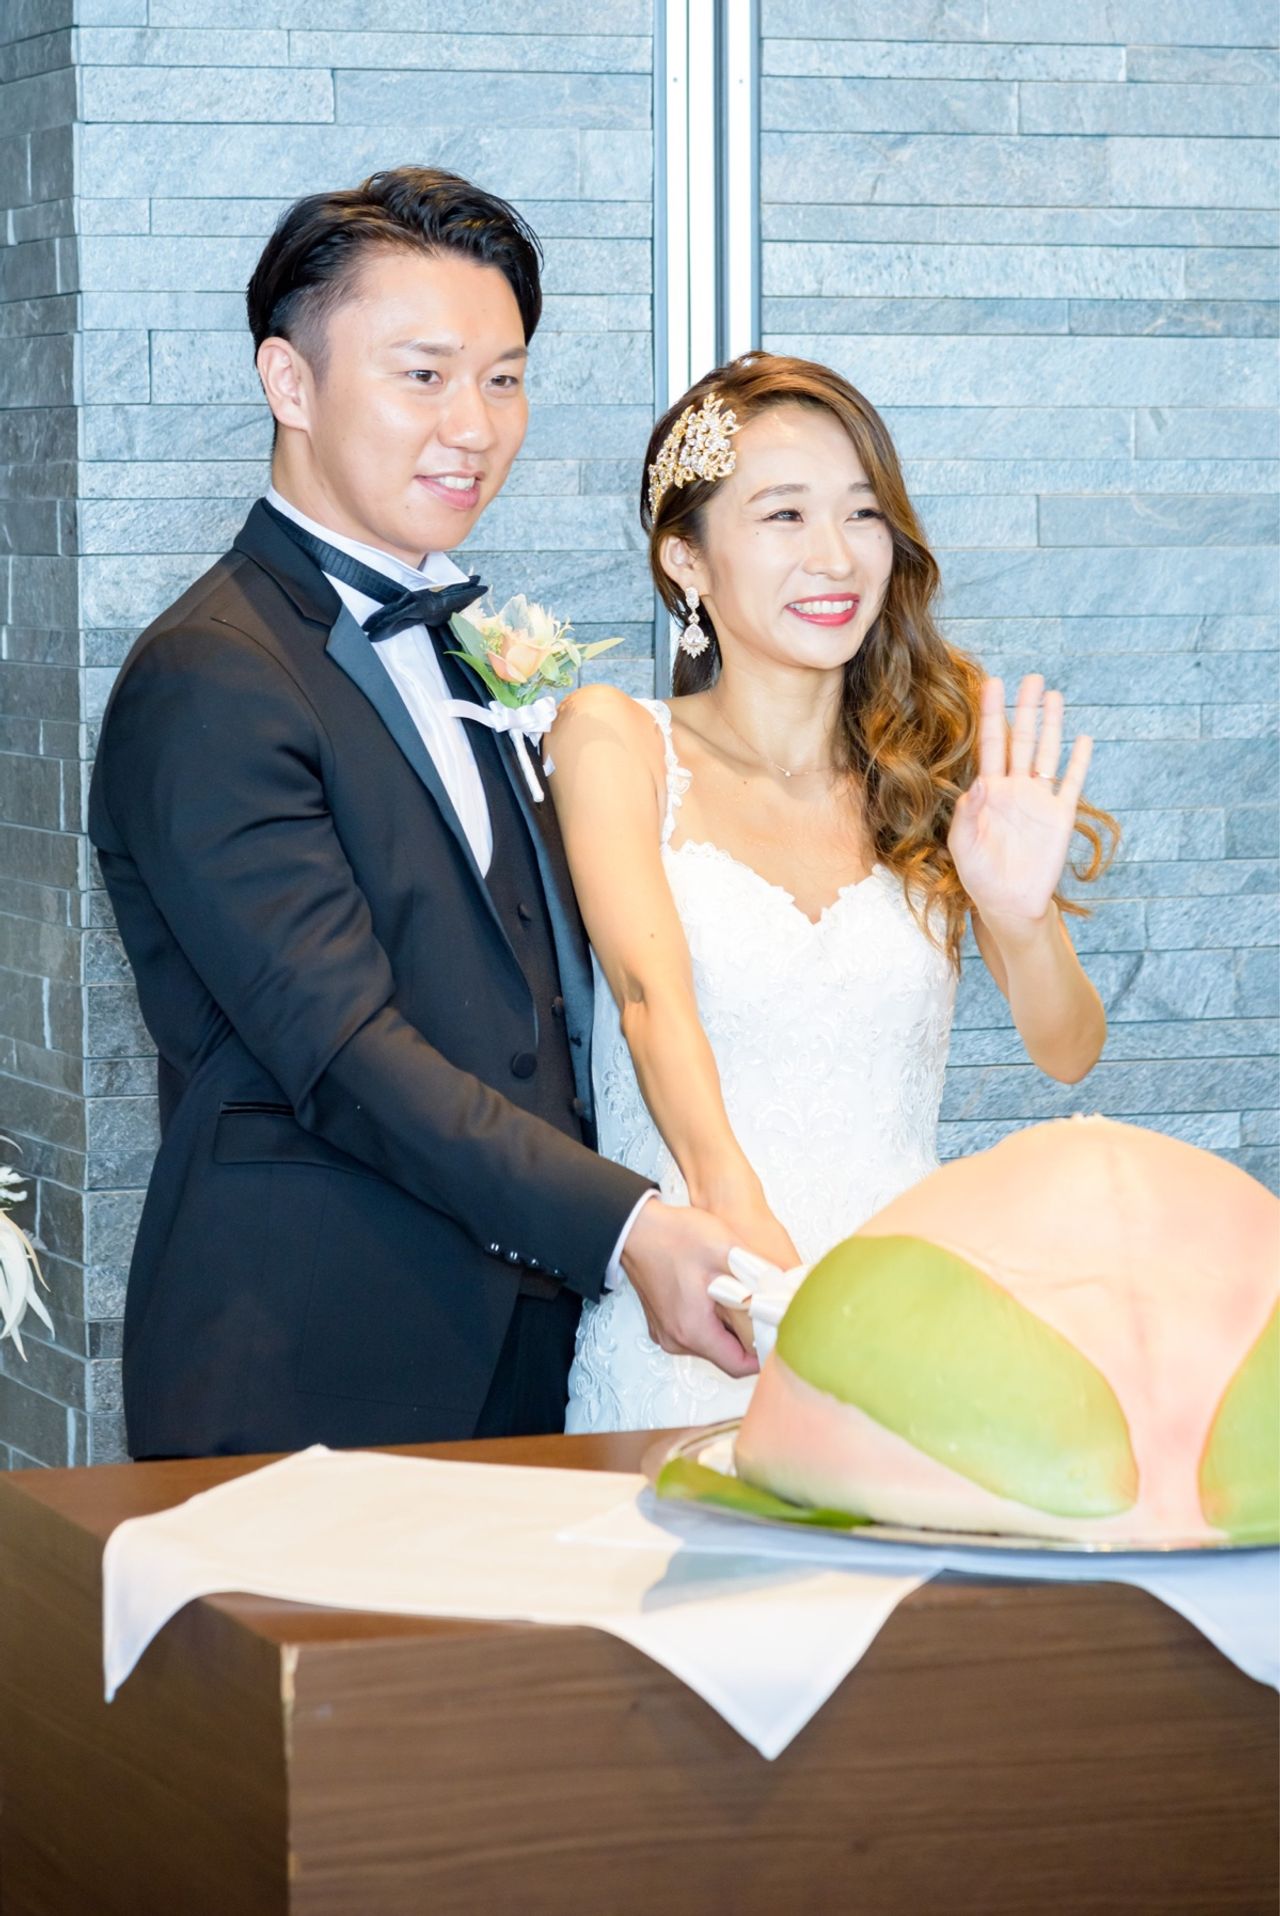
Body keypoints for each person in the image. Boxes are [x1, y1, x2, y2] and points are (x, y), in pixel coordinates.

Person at [87, 167, 755, 1460]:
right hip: (309, 1364)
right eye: (424, 375)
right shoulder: (213, 674)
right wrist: (626, 1225)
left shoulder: (473, 641)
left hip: (537, 1354)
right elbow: (342, 1051)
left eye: (503, 379)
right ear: (290, 382)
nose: (474, 426)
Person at [548, 353, 1118, 1434]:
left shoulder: (929, 767)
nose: (835, 555)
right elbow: (649, 998)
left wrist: (1020, 912)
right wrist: (751, 1246)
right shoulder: (614, 738)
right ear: (686, 557)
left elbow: (1068, 1050)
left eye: (861, 513)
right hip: (705, 1318)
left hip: (905, 1328)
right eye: (783, 514)